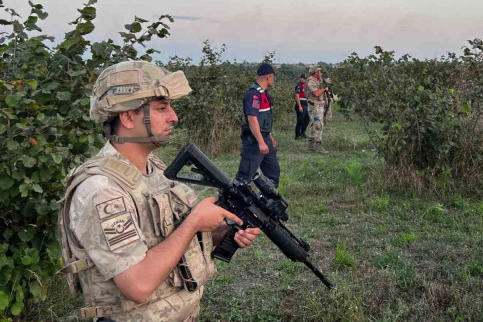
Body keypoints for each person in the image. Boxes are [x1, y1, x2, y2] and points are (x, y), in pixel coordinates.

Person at [57, 61, 261, 322]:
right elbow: (138, 285)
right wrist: (194, 222)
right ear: (128, 117)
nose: (173, 117)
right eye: (162, 108)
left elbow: (166, 242)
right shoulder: (101, 190)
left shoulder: (154, 170)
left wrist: (221, 233)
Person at [235, 63, 281, 187]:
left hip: (265, 139)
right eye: (273, 77)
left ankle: (267, 203)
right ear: (268, 77)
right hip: (254, 142)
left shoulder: (264, 94)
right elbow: (252, 119)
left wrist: (269, 136)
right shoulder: (253, 94)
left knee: (273, 174)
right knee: (244, 178)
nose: (273, 80)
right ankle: (232, 204)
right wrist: (261, 142)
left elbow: (263, 119)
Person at [306, 65, 329, 154]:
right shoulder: (311, 81)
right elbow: (316, 93)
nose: (321, 73)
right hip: (314, 107)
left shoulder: (319, 80)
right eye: (319, 71)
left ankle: (311, 145)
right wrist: (324, 88)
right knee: (318, 125)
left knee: (314, 125)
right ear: (315, 73)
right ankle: (319, 145)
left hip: (319, 105)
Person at [294, 73, 310, 139]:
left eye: (305, 78)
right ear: (301, 78)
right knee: (300, 120)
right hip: (301, 103)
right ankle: (297, 135)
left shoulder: (305, 86)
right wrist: (299, 106)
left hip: (305, 103)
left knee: (307, 119)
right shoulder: (299, 86)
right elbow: (297, 96)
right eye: (303, 78)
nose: (304, 80)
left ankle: (302, 133)